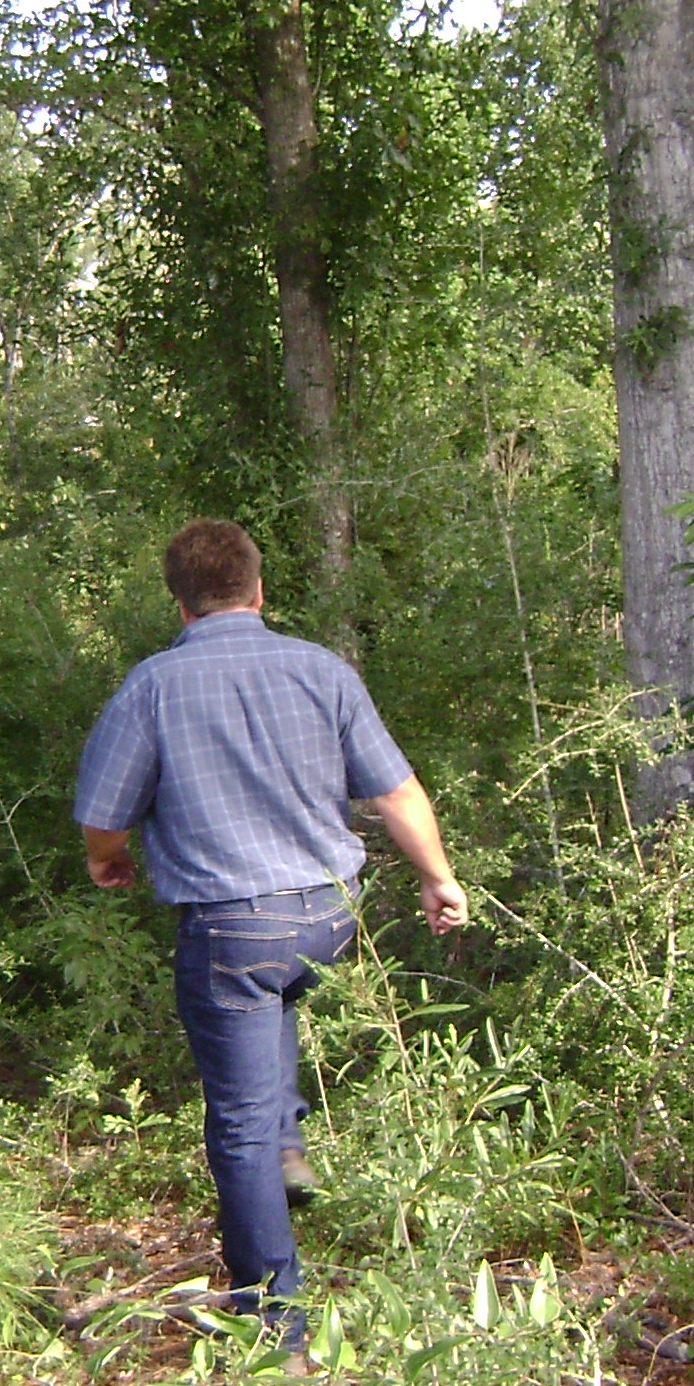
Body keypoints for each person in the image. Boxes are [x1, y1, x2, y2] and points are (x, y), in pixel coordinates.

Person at [72, 518, 466, 1341]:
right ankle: (288, 1141)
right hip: (329, 915)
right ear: (258, 592)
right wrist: (438, 877)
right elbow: (396, 792)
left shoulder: (152, 686)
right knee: (276, 996)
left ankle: (275, 1328)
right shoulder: (321, 669)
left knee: (237, 1125)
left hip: (232, 929)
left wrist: (108, 859)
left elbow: (104, 812)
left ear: (180, 606)